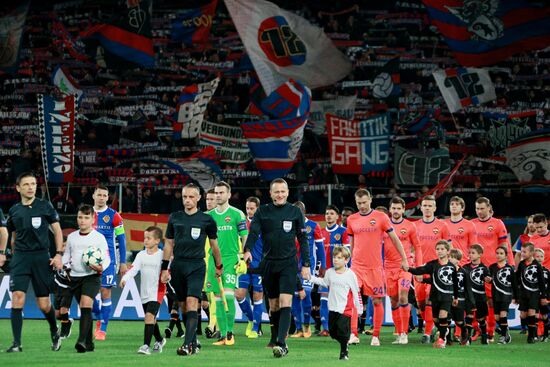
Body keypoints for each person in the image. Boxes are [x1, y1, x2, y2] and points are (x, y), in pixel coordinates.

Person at [243, 178, 311, 358]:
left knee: (285, 301)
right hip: (269, 264)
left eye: (283, 191)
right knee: (273, 305)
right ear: (271, 193)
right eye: (276, 192)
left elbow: (303, 239)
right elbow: (254, 232)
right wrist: (247, 249)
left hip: (288, 263)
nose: (280, 195)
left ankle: (282, 343)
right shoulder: (262, 212)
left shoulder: (295, 212)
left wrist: (306, 264)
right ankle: (274, 337)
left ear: (287, 192)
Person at [4, 172, 64, 353]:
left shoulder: (45, 206)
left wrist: (59, 254)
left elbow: (58, 231)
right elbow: (13, 237)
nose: (31, 187)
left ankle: (54, 330)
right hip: (21, 258)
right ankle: (16, 343)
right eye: (27, 184)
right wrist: (14, 255)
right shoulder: (14, 210)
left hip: (41, 257)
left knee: (44, 304)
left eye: (33, 184)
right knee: (17, 299)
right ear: (18, 188)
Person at [161, 183, 223, 356]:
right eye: (184, 197)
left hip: (197, 266)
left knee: (192, 303)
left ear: (198, 198)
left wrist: (219, 266)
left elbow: (214, 245)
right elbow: (168, 244)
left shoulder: (207, 220)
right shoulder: (175, 217)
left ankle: (187, 344)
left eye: (190, 197)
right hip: (178, 266)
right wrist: (164, 268)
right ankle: (194, 341)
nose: (187, 200)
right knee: (183, 306)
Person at [346, 189, 408, 347]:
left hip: (375, 267)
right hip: (357, 267)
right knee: (351, 298)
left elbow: (394, 239)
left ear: (370, 200)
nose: (362, 206)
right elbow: (352, 244)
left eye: (364, 202)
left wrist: (404, 258)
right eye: (358, 203)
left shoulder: (381, 217)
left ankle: (376, 336)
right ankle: (353, 334)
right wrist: (348, 263)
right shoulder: (352, 219)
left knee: (377, 300)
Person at [63, 204, 110, 353]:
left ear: (92, 219)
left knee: (85, 305)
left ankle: (81, 341)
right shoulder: (72, 237)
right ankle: (89, 343)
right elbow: (66, 256)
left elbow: (106, 257)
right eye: (80, 217)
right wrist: (65, 267)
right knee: (85, 310)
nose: (82, 220)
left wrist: (102, 267)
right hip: (74, 277)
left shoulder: (99, 237)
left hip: (92, 276)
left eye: (86, 217)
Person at [206, 181, 248, 346]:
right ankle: (223, 335)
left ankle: (230, 334)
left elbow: (245, 236)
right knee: (217, 298)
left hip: (230, 259)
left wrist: (243, 258)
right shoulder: (208, 216)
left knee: (229, 295)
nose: (218, 195)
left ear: (229, 195)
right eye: (216, 193)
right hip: (213, 260)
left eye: (221, 192)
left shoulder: (237, 214)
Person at [308, 246, 361, 360]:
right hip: (332, 307)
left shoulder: (350, 275)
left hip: (345, 309)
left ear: (346, 260)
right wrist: (311, 278)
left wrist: (359, 308)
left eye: (339, 258)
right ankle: (345, 342)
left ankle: (343, 353)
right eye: (334, 257)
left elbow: (356, 293)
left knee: (342, 331)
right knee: (332, 332)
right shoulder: (330, 272)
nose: (335, 260)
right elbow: (324, 282)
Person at [472, 197, 513, 340]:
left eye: (482, 208)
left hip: (494, 269)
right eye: (477, 208)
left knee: (490, 301)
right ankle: (477, 329)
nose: (479, 211)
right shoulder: (472, 224)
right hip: (476, 269)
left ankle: (491, 330)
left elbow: (505, 245)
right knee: (475, 300)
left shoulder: (497, 223)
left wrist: (510, 264)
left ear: (489, 208)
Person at [121, 226, 166, 355]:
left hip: (157, 291)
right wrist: (125, 278)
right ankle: (160, 340)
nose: (145, 240)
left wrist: (167, 278)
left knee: (149, 316)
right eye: (144, 238)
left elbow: (167, 272)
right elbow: (134, 269)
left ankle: (146, 346)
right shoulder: (141, 255)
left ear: (157, 241)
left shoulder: (162, 255)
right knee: (151, 319)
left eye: (148, 238)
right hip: (144, 292)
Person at [92, 184, 128, 340]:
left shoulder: (114, 216)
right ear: (93, 196)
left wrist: (123, 262)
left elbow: (122, 239)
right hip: (88, 262)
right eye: (99, 195)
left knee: (105, 292)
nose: (101, 198)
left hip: (108, 261)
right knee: (90, 295)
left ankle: (103, 329)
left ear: (108, 198)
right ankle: (99, 317)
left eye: (104, 196)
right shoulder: (87, 214)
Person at [408, 240, 458, 349]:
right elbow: (420, 270)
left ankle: (442, 340)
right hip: (435, 295)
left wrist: (456, 297)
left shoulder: (452, 267)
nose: (439, 251)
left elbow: (455, 282)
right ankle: (444, 331)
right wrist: (408, 269)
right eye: (438, 249)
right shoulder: (433, 264)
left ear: (448, 251)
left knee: (442, 316)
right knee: (436, 319)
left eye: (442, 249)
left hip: (447, 296)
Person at [414, 195, 450, 344]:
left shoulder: (442, 226)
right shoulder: (414, 226)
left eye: (430, 206)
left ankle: (427, 333)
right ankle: (436, 326)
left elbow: (449, 248)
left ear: (435, 208)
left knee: (430, 300)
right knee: (421, 303)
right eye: (425, 205)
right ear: (421, 207)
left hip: (436, 270)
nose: (427, 208)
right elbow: (410, 248)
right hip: (420, 269)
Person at [385, 196, 422, 345]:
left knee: (403, 296)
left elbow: (418, 247)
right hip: (388, 268)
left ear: (404, 209)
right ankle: (399, 332)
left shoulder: (410, 226)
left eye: (399, 208)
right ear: (390, 209)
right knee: (393, 301)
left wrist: (418, 268)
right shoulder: (384, 226)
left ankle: (405, 333)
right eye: (393, 208)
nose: (396, 211)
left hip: (405, 266)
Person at [291, 201, 325, 339]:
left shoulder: (313, 226)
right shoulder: (288, 225)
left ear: (304, 212)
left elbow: (320, 248)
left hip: (307, 267)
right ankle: (298, 329)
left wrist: (321, 266)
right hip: (292, 267)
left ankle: (306, 326)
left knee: (306, 295)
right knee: (294, 296)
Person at [319, 205, 350, 337]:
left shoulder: (344, 232)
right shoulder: (320, 232)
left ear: (338, 217)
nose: (329, 216)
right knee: (324, 298)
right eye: (327, 214)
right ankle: (326, 328)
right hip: (325, 272)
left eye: (332, 214)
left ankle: (340, 327)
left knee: (340, 300)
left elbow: (348, 253)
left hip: (339, 272)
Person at [235, 196, 264, 339]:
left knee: (257, 296)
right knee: (239, 294)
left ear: (258, 208)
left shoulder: (264, 224)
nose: (249, 211)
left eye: (252, 208)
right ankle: (253, 320)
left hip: (259, 265)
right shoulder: (241, 223)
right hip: (243, 266)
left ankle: (255, 328)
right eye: (247, 208)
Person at [515, 242, 546, 343]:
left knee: (532, 313)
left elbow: (541, 281)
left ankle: (532, 336)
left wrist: (543, 296)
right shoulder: (522, 264)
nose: (522, 254)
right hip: (523, 293)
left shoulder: (537, 265)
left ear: (532, 253)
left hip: (534, 293)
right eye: (522, 251)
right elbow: (517, 278)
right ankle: (528, 329)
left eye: (525, 252)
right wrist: (516, 292)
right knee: (523, 315)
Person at [486, 246, 516, 344]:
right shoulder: (492, 267)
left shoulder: (509, 268)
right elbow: (490, 279)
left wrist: (515, 297)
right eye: (497, 253)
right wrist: (488, 280)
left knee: (503, 315)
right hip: (496, 295)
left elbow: (514, 283)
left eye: (501, 253)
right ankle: (505, 331)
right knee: (497, 318)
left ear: (506, 256)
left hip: (506, 295)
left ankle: (503, 337)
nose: (498, 255)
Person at [463, 244, 491, 344]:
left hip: (480, 297)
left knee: (480, 319)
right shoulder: (465, 267)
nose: (470, 255)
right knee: (469, 317)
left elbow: (488, 278)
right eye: (469, 253)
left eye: (473, 253)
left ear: (480, 254)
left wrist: (489, 280)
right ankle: (467, 339)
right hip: (469, 297)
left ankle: (484, 335)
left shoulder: (484, 268)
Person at [449, 248, 474, 345]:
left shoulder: (464, 272)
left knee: (459, 321)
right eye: (449, 257)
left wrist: (471, 302)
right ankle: (447, 339)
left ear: (458, 260)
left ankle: (464, 332)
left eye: (452, 257)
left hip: (460, 300)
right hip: (448, 298)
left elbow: (468, 287)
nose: (450, 259)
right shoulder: (445, 270)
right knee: (446, 320)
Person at [445, 196, 477, 266]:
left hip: (463, 264)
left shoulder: (470, 225)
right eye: (452, 204)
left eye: (457, 204)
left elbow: (473, 247)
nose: (454, 206)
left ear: (462, 208)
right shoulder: (443, 224)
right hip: (446, 264)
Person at [203, 188, 218, 339]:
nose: (209, 202)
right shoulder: (201, 217)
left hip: (216, 262)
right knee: (208, 297)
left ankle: (212, 326)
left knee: (215, 296)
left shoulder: (220, 218)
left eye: (212, 199)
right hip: (202, 263)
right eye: (207, 199)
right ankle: (216, 325)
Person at [534, 248, 550, 341]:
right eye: (537, 256)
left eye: (541, 256)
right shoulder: (531, 270)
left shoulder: (546, 271)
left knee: (544, 316)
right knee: (534, 315)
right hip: (534, 296)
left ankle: (545, 335)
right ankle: (535, 335)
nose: (539, 258)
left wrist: (547, 297)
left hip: (543, 297)